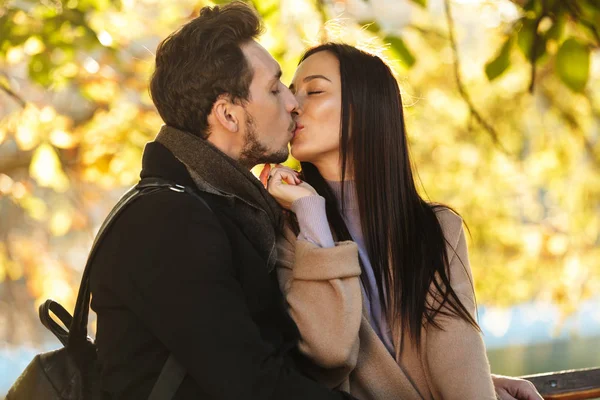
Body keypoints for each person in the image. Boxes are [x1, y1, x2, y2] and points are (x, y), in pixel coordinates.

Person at [89, 3, 362, 399]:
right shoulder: (168, 220)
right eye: (274, 89)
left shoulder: (223, 208)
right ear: (228, 116)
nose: (292, 103)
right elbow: (254, 385)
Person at [262, 43, 544, 400]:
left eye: (313, 91)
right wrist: (309, 210)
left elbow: (457, 356)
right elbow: (328, 351)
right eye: (289, 91)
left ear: (365, 107)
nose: (293, 104)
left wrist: (485, 385)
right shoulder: (288, 228)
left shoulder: (436, 229)